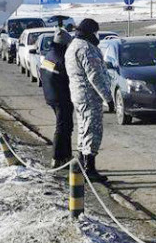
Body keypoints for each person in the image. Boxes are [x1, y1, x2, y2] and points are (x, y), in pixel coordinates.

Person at [67, 18, 113, 182]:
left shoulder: (73, 45)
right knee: (92, 130)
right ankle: (89, 167)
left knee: (83, 129)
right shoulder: (86, 48)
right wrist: (108, 98)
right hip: (89, 96)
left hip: (79, 94)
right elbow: (95, 76)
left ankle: (81, 162)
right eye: (95, 32)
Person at [40, 28, 74, 168]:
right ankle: (57, 157)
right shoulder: (61, 59)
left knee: (66, 126)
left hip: (52, 96)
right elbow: (68, 79)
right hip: (61, 97)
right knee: (63, 127)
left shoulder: (49, 55)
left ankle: (66, 156)